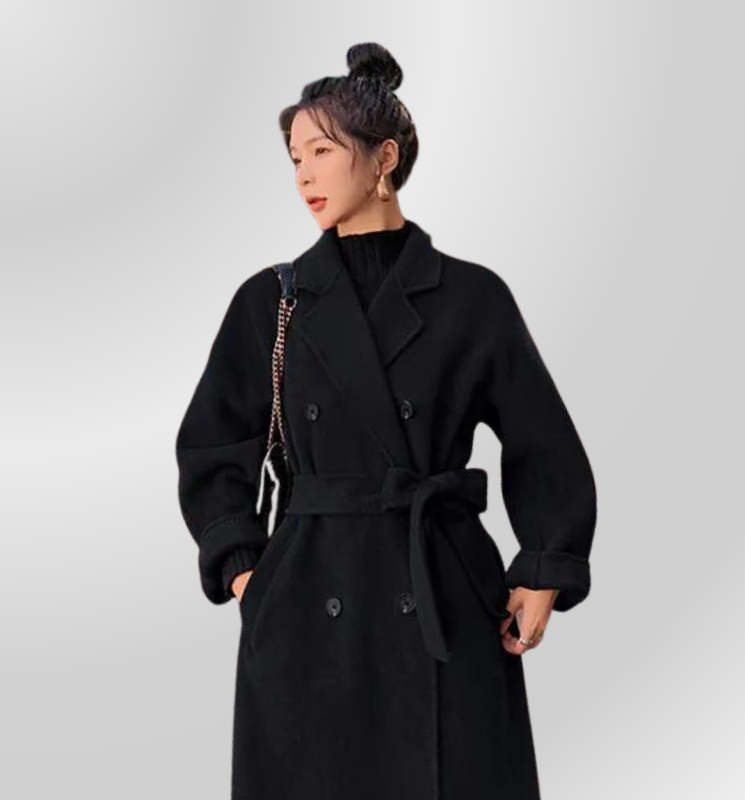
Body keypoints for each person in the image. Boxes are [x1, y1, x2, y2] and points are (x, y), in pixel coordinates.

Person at [175, 41, 597, 800]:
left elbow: (542, 439)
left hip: (441, 590)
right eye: (294, 157)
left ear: (384, 158)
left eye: (322, 151)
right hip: (308, 600)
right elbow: (212, 446)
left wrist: (546, 564)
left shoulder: (472, 297)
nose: (303, 175)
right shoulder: (271, 301)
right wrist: (246, 573)